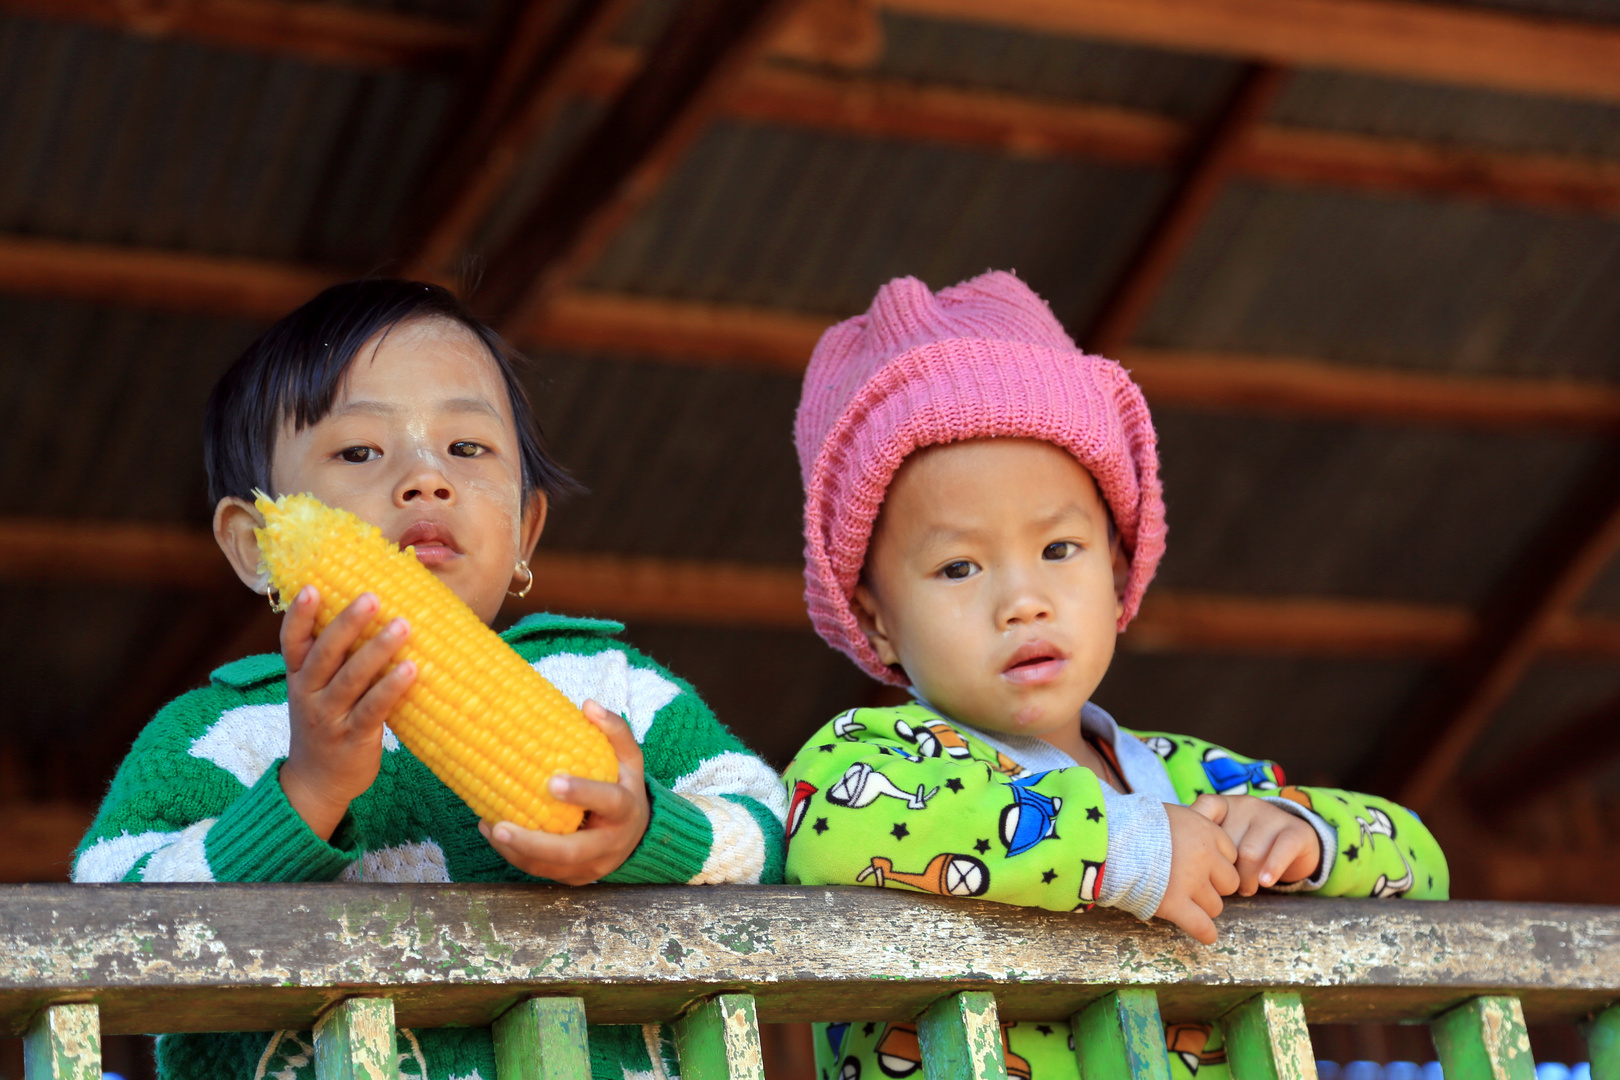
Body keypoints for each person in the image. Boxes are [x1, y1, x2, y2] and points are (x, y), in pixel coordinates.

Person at [73, 279, 787, 1080]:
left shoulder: (610, 687)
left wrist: (651, 832)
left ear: (525, 528)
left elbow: (772, 825)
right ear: (256, 544)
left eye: (467, 449)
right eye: (358, 452)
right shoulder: (219, 734)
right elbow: (108, 923)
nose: (425, 479)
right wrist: (303, 794)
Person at [782, 271, 1447, 1080]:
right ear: (879, 618)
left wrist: (1301, 832)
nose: (1022, 601)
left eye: (1059, 550)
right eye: (958, 567)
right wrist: (1130, 851)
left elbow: (1421, 865)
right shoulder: (872, 762)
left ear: (1118, 566)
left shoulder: (1198, 781)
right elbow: (830, 835)